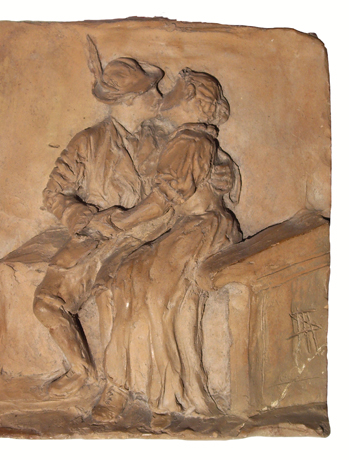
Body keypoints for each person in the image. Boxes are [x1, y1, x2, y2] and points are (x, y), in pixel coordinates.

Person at [91, 68, 242, 421]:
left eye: (173, 87)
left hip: (198, 231)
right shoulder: (185, 137)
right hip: (185, 228)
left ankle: (162, 393)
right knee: (124, 278)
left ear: (187, 97)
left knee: (152, 295)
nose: (164, 93)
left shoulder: (190, 140)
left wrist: (121, 221)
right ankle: (143, 388)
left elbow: (164, 198)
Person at [33, 37, 167, 397]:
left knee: (118, 294)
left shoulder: (165, 140)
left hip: (150, 236)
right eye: (150, 91)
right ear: (129, 100)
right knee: (47, 303)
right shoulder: (88, 142)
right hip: (97, 236)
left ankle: (120, 387)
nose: (158, 97)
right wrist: (86, 218)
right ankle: (82, 371)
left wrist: (223, 175)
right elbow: (53, 194)